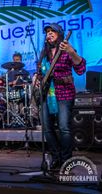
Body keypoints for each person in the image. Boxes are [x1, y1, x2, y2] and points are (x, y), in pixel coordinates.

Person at [38, 23, 86, 169]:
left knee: (64, 127)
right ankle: (56, 157)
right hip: (47, 94)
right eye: (47, 32)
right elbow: (41, 73)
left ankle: (66, 160)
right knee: (47, 128)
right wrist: (36, 77)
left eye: (53, 31)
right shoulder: (44, 54)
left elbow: (81, 69)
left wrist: (72, 52)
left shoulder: (66, 50)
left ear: (60, 34)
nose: (49, 34)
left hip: (64, 93)